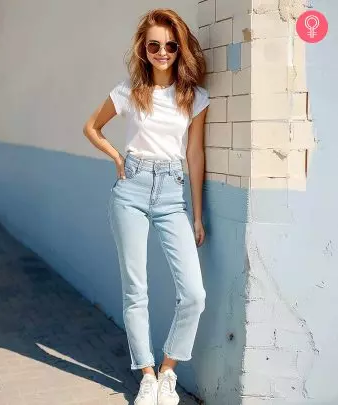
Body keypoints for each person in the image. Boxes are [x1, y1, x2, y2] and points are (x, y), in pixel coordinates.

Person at [83, 8, 209, 405]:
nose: (163, 52)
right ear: (144, 47)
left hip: (173, 195)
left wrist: (198, 215)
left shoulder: (195, 98)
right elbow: (91, 127)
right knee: (136, 290)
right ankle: (147, 375)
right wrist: (118, 159)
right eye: (154, 45)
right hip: (131, 192)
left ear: (180, 48)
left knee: (194, 294)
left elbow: (195, 155)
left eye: (171, 45)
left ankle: (169, 370)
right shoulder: (129, 91)